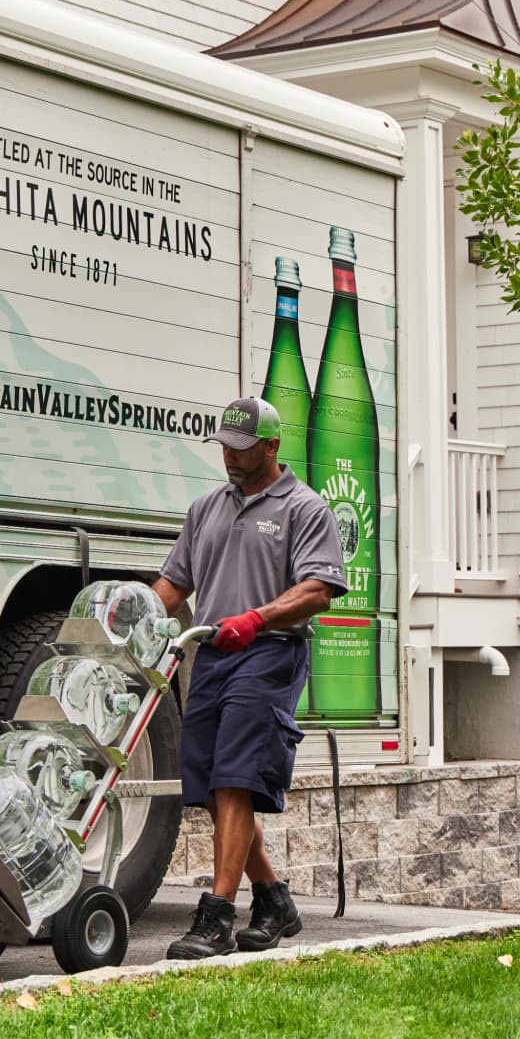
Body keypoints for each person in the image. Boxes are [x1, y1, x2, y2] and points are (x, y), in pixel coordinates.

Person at [151, 396, 347, 959]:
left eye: (241, 449)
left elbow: (319, 589)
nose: (231, 459)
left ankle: (215, 919)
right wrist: (129, 618)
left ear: (271, 446)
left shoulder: (305, 509)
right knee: (214, 789)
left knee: (234, 781)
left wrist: (256, 617)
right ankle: (273, 899)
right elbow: (173, 586)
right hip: (211, 655)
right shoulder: (207, 507)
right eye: (224, 448)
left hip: (269, 653)